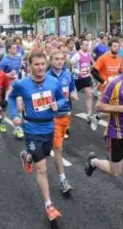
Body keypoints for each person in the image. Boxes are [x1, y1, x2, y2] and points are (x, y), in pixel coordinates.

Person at [84, 53, 123, 226]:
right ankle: (94, 161)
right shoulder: (114, 83)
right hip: (116, 135)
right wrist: (121, 108)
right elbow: (99, 106)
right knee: (116, 172)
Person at [8, 52, 67, 222]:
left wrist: (58, 104)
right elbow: (11, 97)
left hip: (49, 126)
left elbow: (63, 100)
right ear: (29, 65)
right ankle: (49, 205)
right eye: (36, 64)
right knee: (42, 168)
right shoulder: (22, 84)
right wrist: (14, 114)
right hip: (31, 128)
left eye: (43, 64)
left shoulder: (53, 82)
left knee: (41, 158)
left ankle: (27, 157)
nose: (40, 67)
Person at [46, 50, 77, 194]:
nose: (59, 61)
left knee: (56, 146)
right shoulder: (46, 77)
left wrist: (74, 95)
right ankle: (63, 180)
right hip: (53, 117)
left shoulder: (68, 75)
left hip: (66, 116)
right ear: (51, 60)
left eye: (61, 59)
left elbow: (72, 91)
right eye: (56, 59)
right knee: (58, 149)